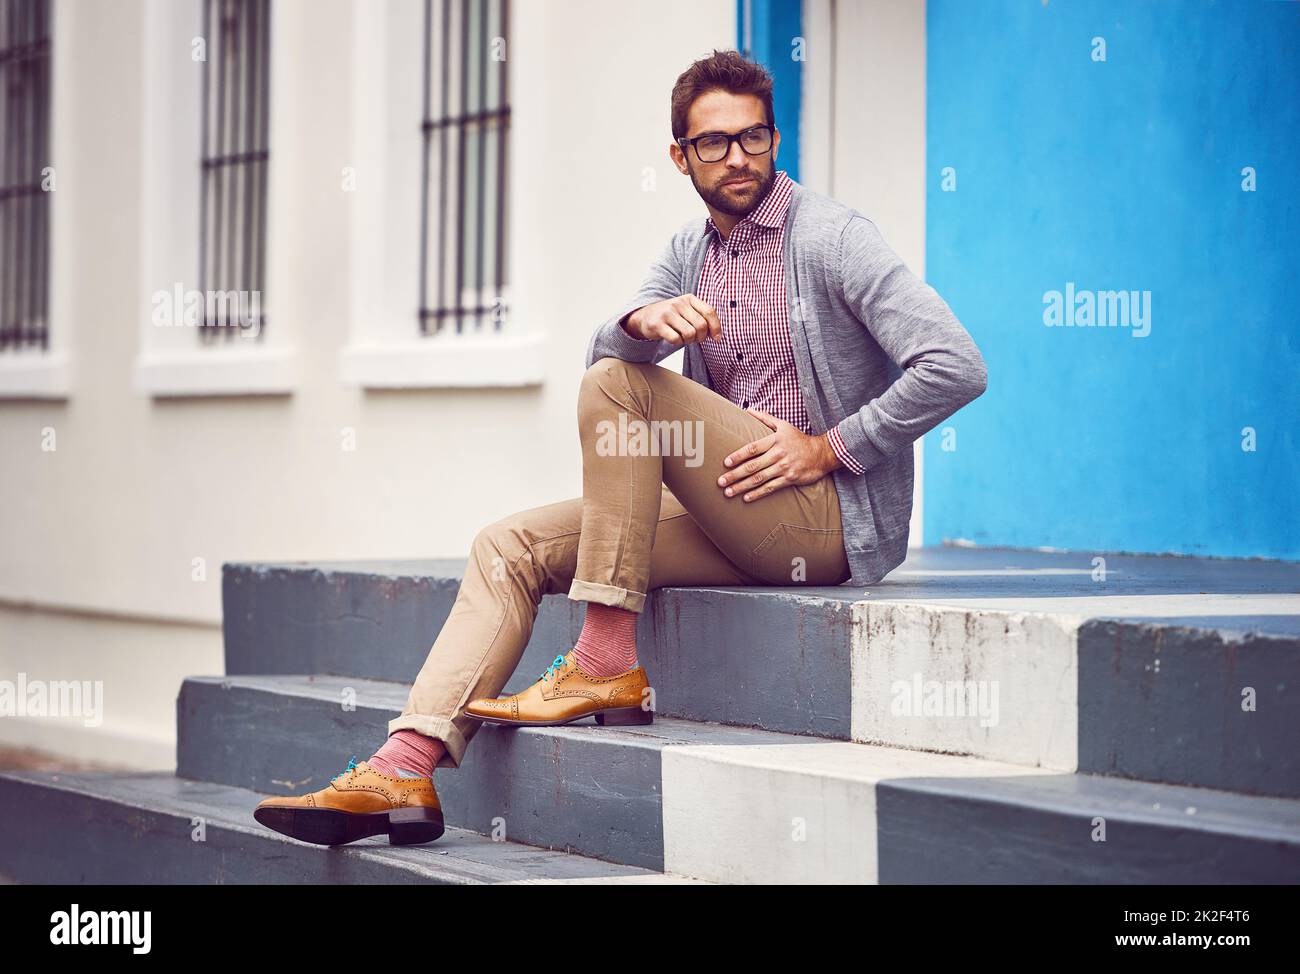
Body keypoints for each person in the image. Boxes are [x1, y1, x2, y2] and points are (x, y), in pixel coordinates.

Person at [252, 48, 987, 847]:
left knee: (615, 384)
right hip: (731, 517)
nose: (737, 157)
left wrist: (831, 448)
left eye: (754, 137)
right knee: (507, 546)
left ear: (777, 140)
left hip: (822, 522)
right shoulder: (690, 252)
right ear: (681, 156)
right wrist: (637, 325)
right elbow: (616, 342)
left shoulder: (835, 240)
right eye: (713, 143)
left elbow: (956, 363)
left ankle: (604, 654)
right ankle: (405, 765)